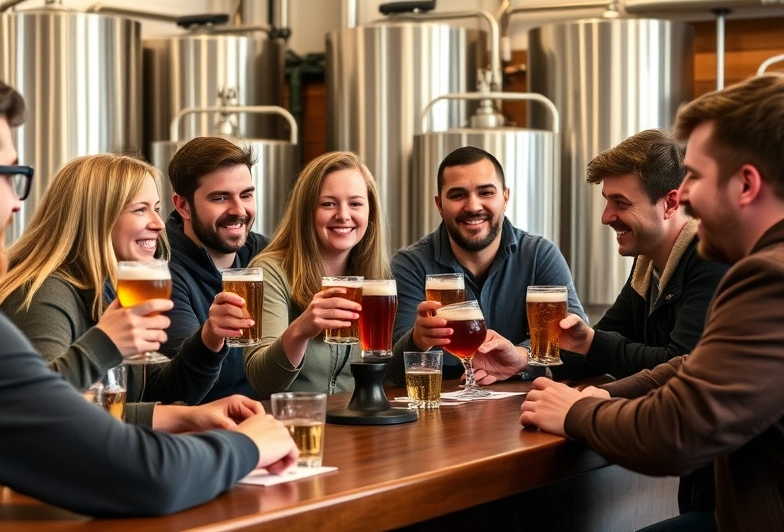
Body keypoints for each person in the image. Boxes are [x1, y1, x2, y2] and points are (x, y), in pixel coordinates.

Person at [0, 57, 296, 518]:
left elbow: (84, 410)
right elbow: (138, 475)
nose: (16, 206)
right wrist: (244, 446)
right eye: (12, 177)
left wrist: (186, 406)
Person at [520, 72, 784, 531]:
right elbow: (698, 366)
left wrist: (576, 413)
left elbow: (677, 434)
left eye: (695, 176)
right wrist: (602, 392)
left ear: (746, 185)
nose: (682, 196)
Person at [474, 129, 729, 529]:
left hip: (730, 501)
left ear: (671, 203)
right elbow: (597, 346)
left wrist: (591, 386)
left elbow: (676, 365)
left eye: (620, 203)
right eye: (607, 201)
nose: (606, 216)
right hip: (707, 488)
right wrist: (522, 361)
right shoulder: (649, 263)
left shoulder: (708, 259)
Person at [0, 153, 253, 427]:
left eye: (156, 209)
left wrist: (207, 342)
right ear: (96, 219)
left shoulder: (111, 288)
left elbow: (156, 392)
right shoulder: (43, 292)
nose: (159, 224)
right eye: (140, 210)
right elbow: (38, 407)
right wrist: (106, 343)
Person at [388, 146, 586, 387]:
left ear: (505, 197)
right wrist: (417, 340)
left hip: (524, 409)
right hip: (438, 412)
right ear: (439, 205)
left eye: (486, 192)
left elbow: (578, 346)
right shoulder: (411, 264)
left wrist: (520, 357)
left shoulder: (539, 255)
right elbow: (392, 373)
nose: (473, 206)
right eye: (457, 195)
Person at [245, 151, 391, 397]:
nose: (343, 215)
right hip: (293, 423)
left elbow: (388, 377)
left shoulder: (377, 277)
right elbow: (262, 381)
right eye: (328, 204)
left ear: (370, 213)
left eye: (355, 203)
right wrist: (301, 330)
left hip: (356, 423)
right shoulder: (270, 271)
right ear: (306, 212)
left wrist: (418, 339)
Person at [162, 136, 270, 401]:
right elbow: (181, 387)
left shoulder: (267, 254)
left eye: (246, 195)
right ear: (183, 206)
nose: (238, 210)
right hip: (201, 430)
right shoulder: (159, 269)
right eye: (220, 198)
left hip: (274, 420)